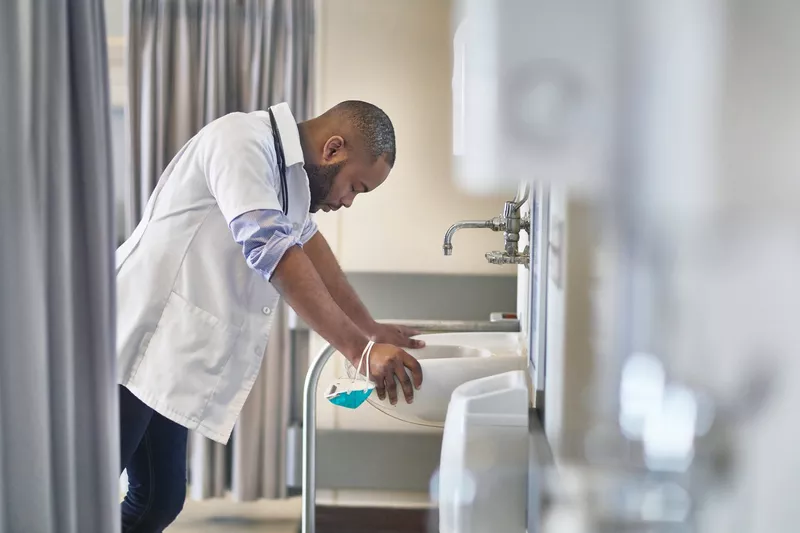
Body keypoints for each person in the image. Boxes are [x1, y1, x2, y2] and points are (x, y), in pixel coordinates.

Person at [115, 100, 424, 531]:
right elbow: (272, 248)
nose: (350, 201)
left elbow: (310, 247)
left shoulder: (291, 180)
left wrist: (367, 328)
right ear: (333, 149)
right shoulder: (241, 141)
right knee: (86, 491)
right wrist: (359, 350)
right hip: (132, 340)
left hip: (166, 353)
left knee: (158, 501)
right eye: (356, 187)